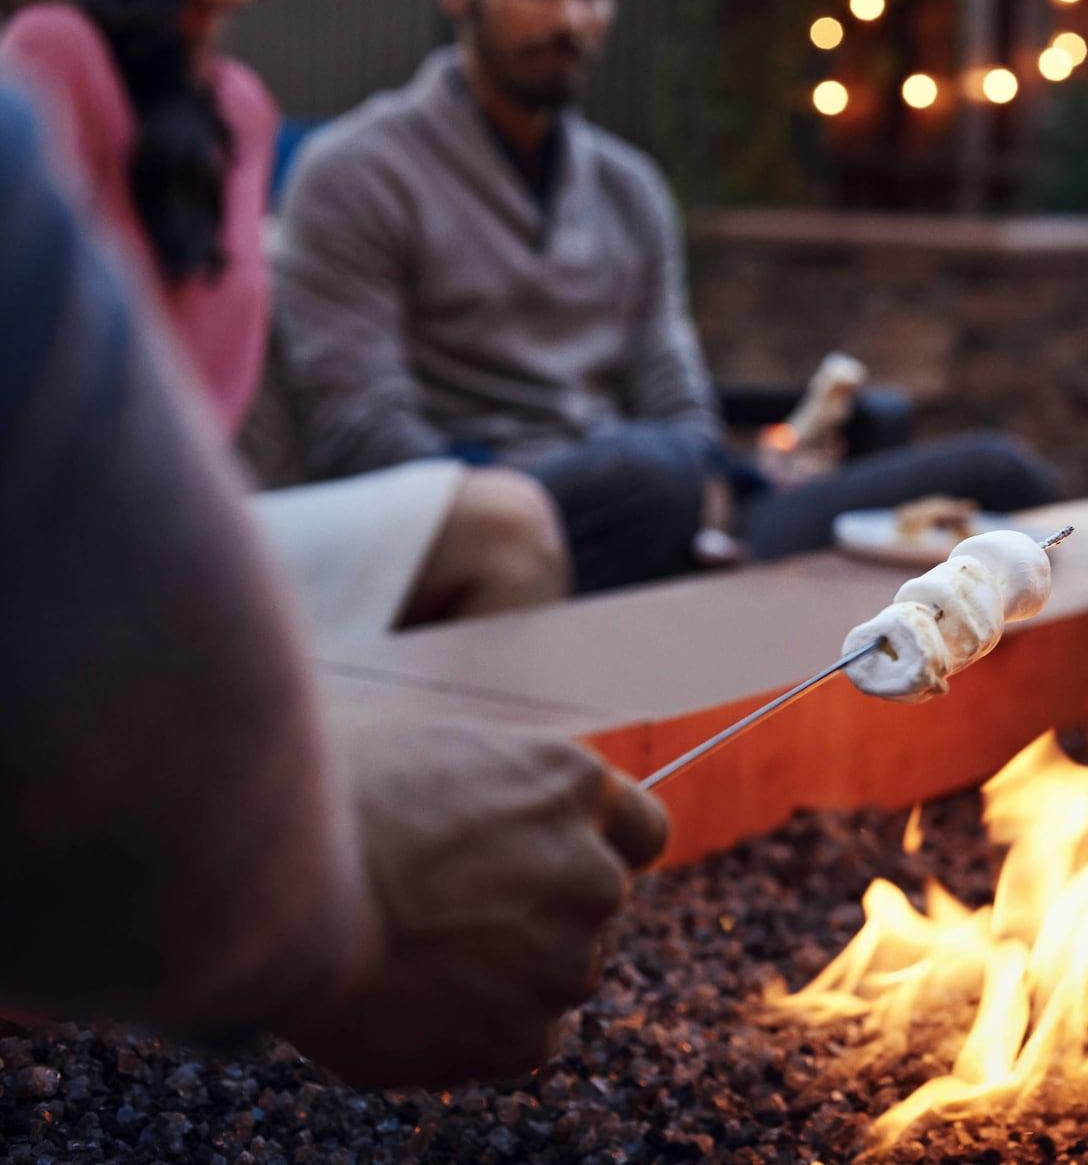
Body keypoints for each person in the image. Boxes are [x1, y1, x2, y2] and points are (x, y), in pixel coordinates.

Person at [0, 79, 666, 1083]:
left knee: (587, 498)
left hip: (204, 497)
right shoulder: (63, 73)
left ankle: (477, 853)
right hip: (117, 512)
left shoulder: (245, 110)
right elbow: (354, 414)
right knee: (618, 486)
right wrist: (317, 889)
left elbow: (674, 381)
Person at [273, 0, 1056, 596]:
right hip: (496, 518)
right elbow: (364, 435)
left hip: (671, 502)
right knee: (646, 472)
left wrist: (728, 481)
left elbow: (673, 393)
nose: (571, 18)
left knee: (1001, 475)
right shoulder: (358, 172)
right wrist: (610, 484)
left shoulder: (628, 186)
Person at [0, 0, 568, 636]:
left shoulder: (244, 110)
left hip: (199, 529)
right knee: (505, 524)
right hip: (66, 548)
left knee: (513, 526)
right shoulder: (56, 56)